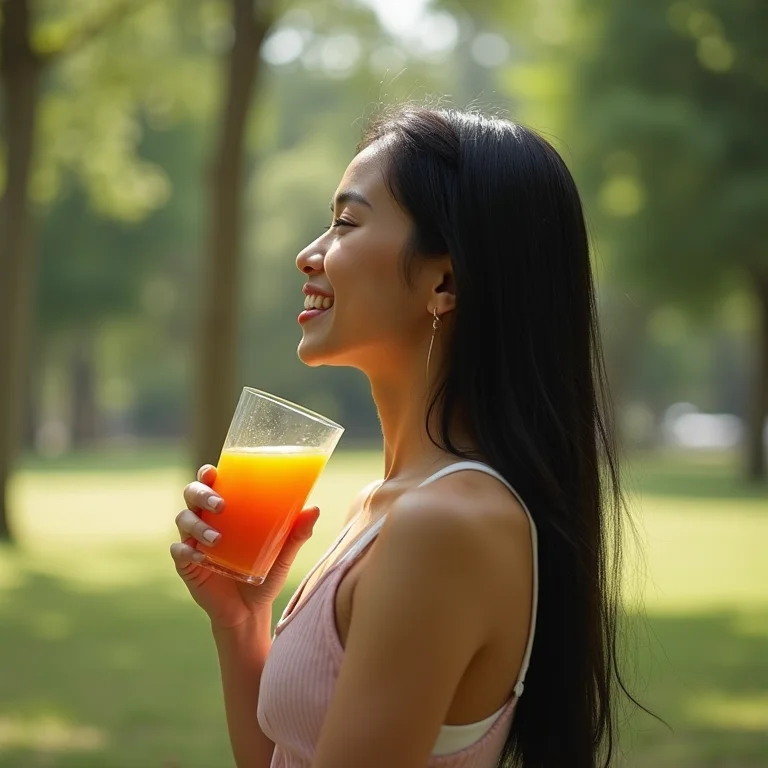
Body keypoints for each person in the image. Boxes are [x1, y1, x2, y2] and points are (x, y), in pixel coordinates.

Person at [170, 105, 636, 768]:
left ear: (443, 279)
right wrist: (241, 618)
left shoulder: (444, 523)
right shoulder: (385, 503)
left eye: (346, 222)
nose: (309, 255)